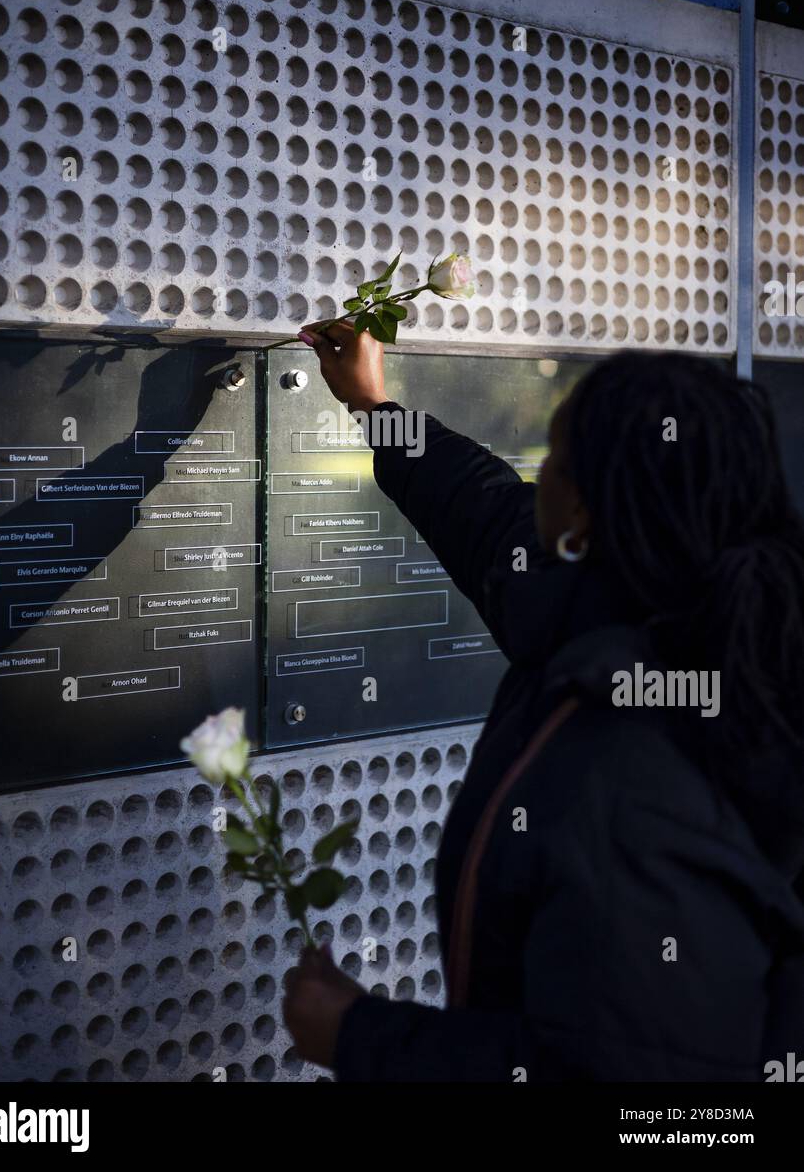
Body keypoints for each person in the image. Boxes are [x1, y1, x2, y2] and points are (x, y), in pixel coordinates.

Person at [282, 324, 804, 1082]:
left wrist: (358, 1038)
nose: (539, 479)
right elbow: (487, 516)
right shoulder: (648, 605)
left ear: (585, 514)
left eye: (554, 459)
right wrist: (375, 408)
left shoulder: (631, 790)